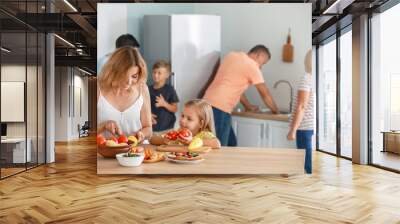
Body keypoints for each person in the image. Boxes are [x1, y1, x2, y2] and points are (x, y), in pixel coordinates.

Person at [203, 45, 279, 146]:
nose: (261, 66)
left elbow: (236, 88)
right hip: (220, 108)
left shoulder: (232, 56)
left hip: (207, 103)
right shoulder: (252, 66)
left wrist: (248, 106)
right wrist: (276, 111)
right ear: (259, 55)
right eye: (263, 63)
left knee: (231, 145)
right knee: (219, 149)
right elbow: (265, 94)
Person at [97, 46, 152, 143]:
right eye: (124, 75)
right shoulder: (97, 88)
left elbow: (148, 129)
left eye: (134, 76)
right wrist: (104, 126)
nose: (129, 82)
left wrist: (142, 134)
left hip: (136, 152)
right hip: (105, 153)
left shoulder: (142, 89)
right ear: (113, 71)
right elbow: (85, 131)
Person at [287, 50, 314, 174]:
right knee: (309, 164)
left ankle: (307, 187)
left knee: (306, 166)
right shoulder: (317, 78)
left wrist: (293, 130)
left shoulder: (307, 78)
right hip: (311, 127)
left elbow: (302, 106)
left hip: (304, 128)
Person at [149, 60, 179, 132]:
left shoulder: (170, 89)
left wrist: (164, 104)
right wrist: (148, 114)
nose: (156, 75)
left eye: (159, 73)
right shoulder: (147, 89)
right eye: (154, 72)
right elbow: (143, 107)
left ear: (167, 75)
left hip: (167, 128)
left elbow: (175, 108)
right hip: (151, 128)